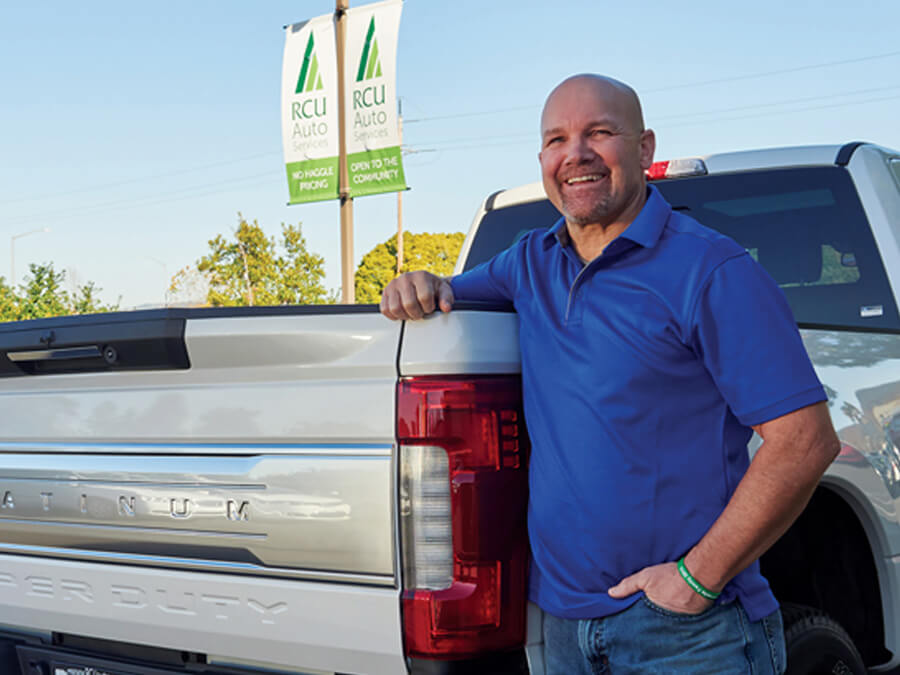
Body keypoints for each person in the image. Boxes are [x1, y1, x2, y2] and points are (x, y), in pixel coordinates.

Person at [380, 74, 840, 674]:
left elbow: (804, 442)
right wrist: (417, 283)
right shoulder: (529, 262)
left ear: (644, 148)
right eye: (557, 139)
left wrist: (694, 581)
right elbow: (444, 295)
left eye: (599, 132)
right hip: (564, 628)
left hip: (689, 633)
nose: (576, 154)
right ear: (543, 159)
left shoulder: (712, 270)